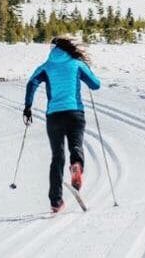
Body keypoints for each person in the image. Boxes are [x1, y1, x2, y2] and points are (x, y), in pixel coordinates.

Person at [23, 36, 101, 213]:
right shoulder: (76, 63)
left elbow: (31, 83)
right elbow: (96, 84)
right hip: (75, 113)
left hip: (54, 116)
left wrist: (28, 106)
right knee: (76, 146)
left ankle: (56, 202)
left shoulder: (47, 66)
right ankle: (77, 166)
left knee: (57, 157)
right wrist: (84, 70)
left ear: (53, 49)